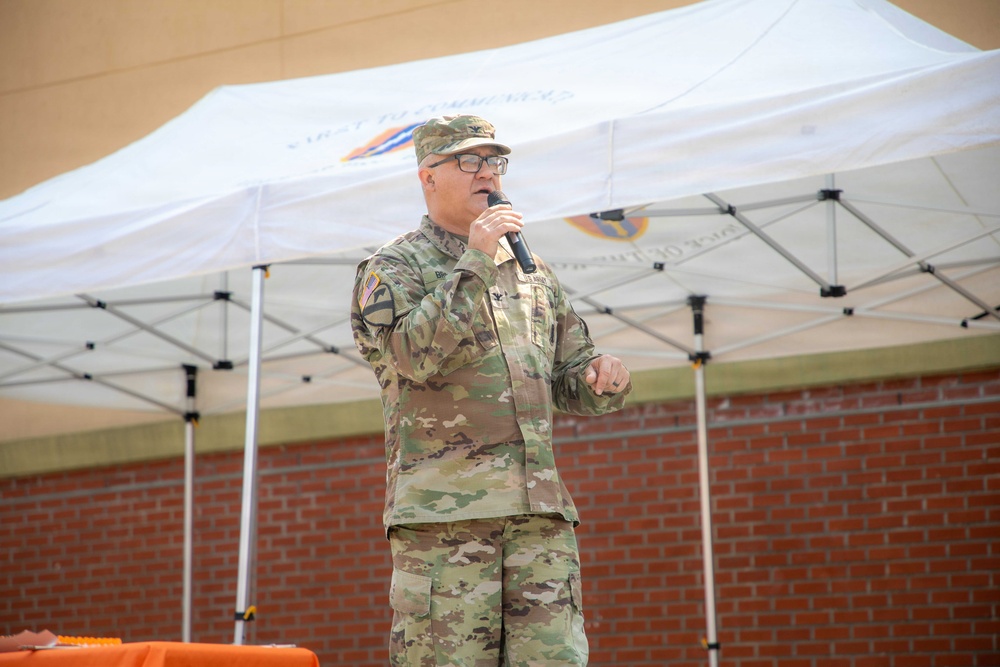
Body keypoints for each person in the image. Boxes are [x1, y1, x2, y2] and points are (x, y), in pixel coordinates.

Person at [350, 114, 631, 666]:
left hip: (539, 516)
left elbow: (569, 372)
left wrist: (602, 377)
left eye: (495, 162)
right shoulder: (392, 268)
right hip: (446, 521)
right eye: (469, 161)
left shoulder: (531, 270)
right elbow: (413, 358)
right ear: (428, 176)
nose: (488, 175)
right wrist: (475, 258)